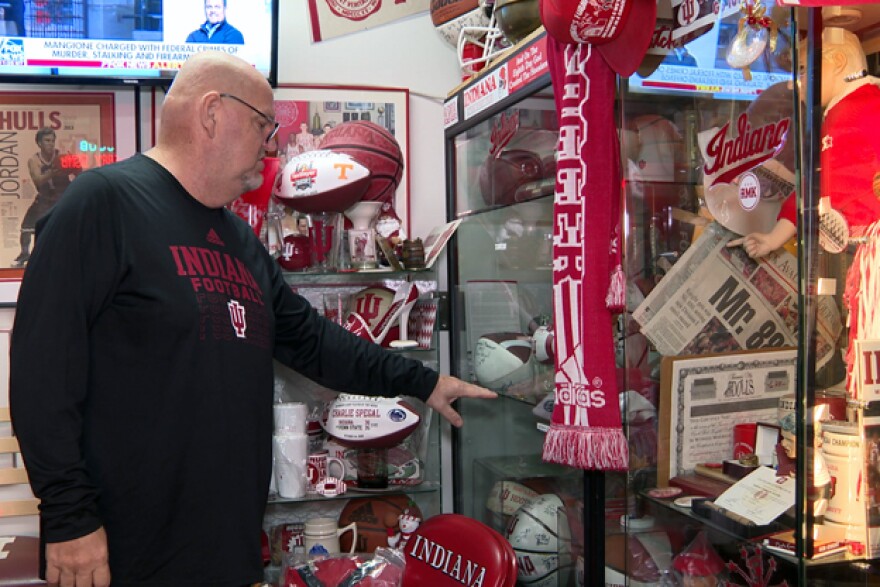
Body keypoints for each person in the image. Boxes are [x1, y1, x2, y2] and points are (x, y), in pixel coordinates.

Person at [9, 50, 496, 587]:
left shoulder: (238, 240)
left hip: (227, 543)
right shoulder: (102, 204)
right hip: (124, 548)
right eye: (264, 124)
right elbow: (41, 372)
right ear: (212, 113)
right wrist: (69, 515)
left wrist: (423, 380)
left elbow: (313, 343)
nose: (273, 144)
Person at [13, 127, 80, 267]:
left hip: (61, 197)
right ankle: (25, 254)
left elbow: (79, 173)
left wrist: (74, 167)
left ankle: (69, 254)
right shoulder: (34, 160)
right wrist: (54, 172)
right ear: (39, 143)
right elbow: (38, 180)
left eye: (52, 140)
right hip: (44, 198)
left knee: (68, 228)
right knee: (26, 228)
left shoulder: (62, 156)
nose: (51, 143)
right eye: (47, 140)